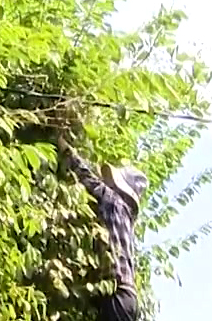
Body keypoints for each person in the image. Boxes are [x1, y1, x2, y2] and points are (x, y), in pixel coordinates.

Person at [57, 133, 148, 321]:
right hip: (126, 298)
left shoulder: (114, 202)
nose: (107, 182)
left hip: (118, 295)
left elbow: (87, 178)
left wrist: (66, 149)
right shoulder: (124, 218)